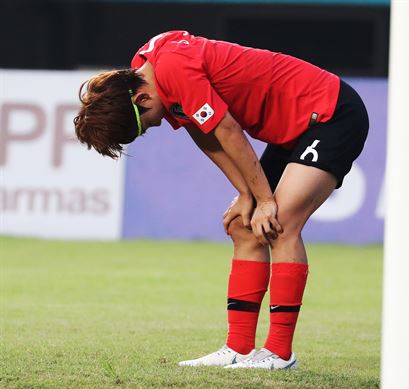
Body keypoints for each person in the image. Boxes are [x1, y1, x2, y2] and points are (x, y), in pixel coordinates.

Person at [74, 30, 369, 370]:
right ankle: (240, 348)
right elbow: (203, 132)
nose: (153, 128)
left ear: (140, 99)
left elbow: (227, 130)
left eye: (145, 126)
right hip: (294, 128)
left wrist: (264, 199)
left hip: (330, 114)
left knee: (280, 223)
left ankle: (280, 353)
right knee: (243, 226)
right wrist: (247, 194)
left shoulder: (172, 69)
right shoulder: (147, 68)